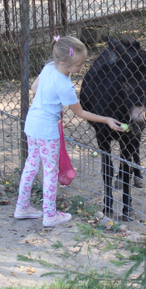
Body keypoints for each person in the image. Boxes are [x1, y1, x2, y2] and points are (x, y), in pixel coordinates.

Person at [14, 35, 124, 227]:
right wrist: (106, 119)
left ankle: (22, 207)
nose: (81, 69)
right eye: (79, 65)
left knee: (31, 164)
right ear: (64, 62)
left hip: (32, 124)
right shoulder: (65, 85)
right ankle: (49, 214)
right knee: (50, 170)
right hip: (48, 131)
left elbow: (34, 87)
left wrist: (48, 98)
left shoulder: (49, 67)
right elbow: (80, 113)